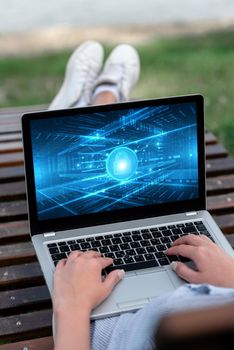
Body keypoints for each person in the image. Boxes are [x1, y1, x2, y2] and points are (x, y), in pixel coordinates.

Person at [49, 41, 234, 350]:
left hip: (100, 325)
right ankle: (103, 96)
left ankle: (93, 100)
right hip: (213, 288)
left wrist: (71, 308)